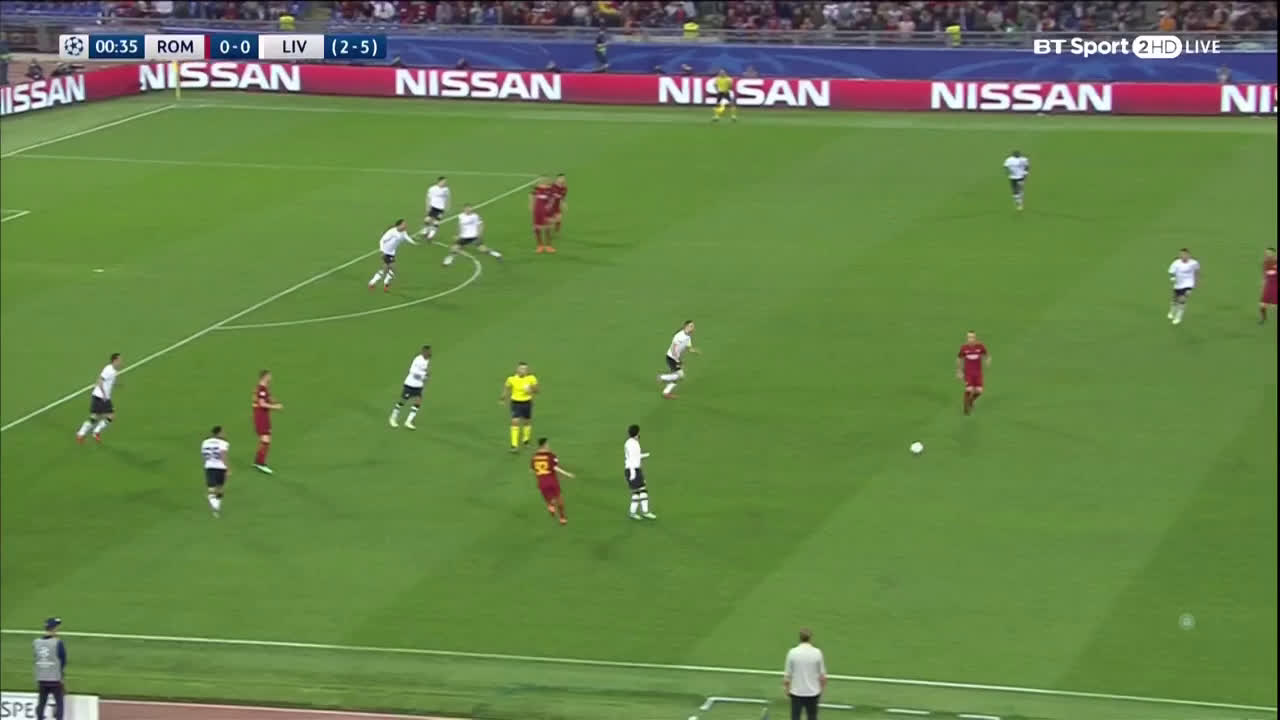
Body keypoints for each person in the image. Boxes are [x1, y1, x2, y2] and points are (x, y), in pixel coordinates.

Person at [77, 352, 122, 444]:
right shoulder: (108, 369)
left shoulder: (113, 370)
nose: (121, 361)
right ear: (115, 360)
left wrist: (116, 385)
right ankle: (94, 432)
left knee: (95, 417)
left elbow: (108, 381)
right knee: (110, 416)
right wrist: (104, 395)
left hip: (100, 396)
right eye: (119, 360)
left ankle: (82, 433)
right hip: (102, 397)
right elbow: (100, 381)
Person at [783, 628, 827, 720]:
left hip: (796, 693)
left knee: (795, 717)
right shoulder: (817, 653)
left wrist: (787, 690)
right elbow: (823, 676)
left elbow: (787, 676)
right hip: (813, 693)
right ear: (810, 638)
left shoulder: (792, 652)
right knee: (812, 717)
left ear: (800, 638)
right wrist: (821, 691)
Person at [531, 438, 575, 524]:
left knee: (549, 498)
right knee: (560, 500)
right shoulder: (551, 456)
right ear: (544, 445)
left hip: (542, 483)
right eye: (547, 444)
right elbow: (555, 468)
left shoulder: (534, 457)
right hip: (552, 481)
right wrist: (567, 474)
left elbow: (532, 470)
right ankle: (562, 518)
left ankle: (550, 505)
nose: (548, 445)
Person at [368, 219, 417, 292]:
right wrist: (382, 251)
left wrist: (415, 243)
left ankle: (374, 283)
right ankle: (384, 283)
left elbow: (407, 238)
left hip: (391, 253)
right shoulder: (392, 232)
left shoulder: (403, 232)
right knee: (391, 269)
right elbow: (382, 240)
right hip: (386, 252)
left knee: (386, 269)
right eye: (403, 224)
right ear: (399, 225)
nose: (405, 225)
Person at [500, 362, 538, 452]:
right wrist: (503, 398)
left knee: (527, 422)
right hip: (516, 403)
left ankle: (526, 441)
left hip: (527, 402)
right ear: (517, 369)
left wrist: (530, 389)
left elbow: (537, 390)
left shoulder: (531, 378)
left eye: (525, 369)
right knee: (515, 421)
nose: (523, 370)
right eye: (521, 369)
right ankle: (514, 445)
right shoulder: (511, 379)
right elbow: (507, 388)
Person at [33, 617, 66, 720]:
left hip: (41, 678)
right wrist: (61, 676)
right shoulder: (58, 642)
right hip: (55, 679)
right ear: (54, 628)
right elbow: (63, 660)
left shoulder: (36, 642)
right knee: (59, 704)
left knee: (41, 703)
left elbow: (36, 657)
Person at [390, 345, 431, 429]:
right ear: (423, 352)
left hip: (418, 385)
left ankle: (408, 421)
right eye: (428, 352)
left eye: (430, 352)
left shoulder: (427, 360)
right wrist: (424, 375)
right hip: (410, 384)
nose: (430, 353)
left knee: (418, 402)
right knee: (402, 401)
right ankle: (393, 418)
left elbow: (424, 371)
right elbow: (412, 371)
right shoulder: (418, 360)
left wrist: (424, 378)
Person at [657, 320, 698, 399]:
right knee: (679, 376)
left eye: (693, 326)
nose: (693, 328)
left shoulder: (688, 336)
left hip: (676, 358)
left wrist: (695, 351)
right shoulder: (679, 336)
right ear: (686, 326)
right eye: (691, 326)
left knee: (678, 376)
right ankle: (662, 377)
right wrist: (677, 360)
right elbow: (673, 349)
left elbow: (689, 348)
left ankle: (666, 393)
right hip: (671, 358)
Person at [252, 370, 283, 473]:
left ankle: (258, 461)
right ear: (264, 377)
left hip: (263, 416)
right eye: (269, 375)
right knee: (266, 439)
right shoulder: (262, 389)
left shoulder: (262, 388)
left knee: (265, 439)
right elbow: (262, 404)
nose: (271, 377)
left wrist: (272, 400)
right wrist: (275, 407)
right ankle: (260, 463)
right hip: (261, 416)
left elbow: (264, 399)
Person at [623, 424, 656, 520]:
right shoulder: (633, 444)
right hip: (633, 470)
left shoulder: (630, 442)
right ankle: (643, 512)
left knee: (638, 492)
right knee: (641, 491)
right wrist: (633, 473)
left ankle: (635, 513)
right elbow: (632, 459)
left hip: (633, 469)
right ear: (637, 433)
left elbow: (634, 456)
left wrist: (644, 455)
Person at [956, 331, 990, 416]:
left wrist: (987, 360)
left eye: (972, 337)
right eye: (969, 337)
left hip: (978, 372)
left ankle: (971, 401)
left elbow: (986, 354)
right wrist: (959, 371)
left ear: (975, 338)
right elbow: (959, 358)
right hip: (968, 373)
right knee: (969, 389)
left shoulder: (980, 346)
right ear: (967, 338)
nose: (970, 339)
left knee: (979, 391)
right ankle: (965, 408)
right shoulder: (964, 348)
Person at [201, 426, 230, 517]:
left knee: (212, 489)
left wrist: (207, 463)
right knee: (219, 488)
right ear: (219, 433)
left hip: (209, 467)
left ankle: (215, 507)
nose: (224, 433)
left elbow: (204, 454)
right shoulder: (223, 443)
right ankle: (215, 507)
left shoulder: (205, 442)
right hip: (220, 467)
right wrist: (227, 468)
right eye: (223, 432)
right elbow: (223, 454)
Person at [1168, 248, 1200, 326]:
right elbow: (1171, 272)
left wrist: (1196, 282)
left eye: (1185, 254)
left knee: (1182, 300)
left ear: (1189, 255)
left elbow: (1197, 271)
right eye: (1181, 254)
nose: (1183, 256)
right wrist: (1173, 278)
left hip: (1188, 284)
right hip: (1178, 285)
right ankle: (1172, 311)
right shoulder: (1176, 263)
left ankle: (1178, 317)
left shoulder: (1194, 263)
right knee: (1175, 300)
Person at [530, 177, 556, 253]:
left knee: (547, 227)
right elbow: (532, 194)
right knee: (537, 227)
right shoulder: (537, 188)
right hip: (537, 210)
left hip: (547, 211)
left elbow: (552, 199)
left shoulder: (551, 190)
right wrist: (531, 204)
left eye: (545, 180)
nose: (543, 181)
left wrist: (549, 206)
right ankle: (540, 245)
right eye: (542, 180)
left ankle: (548, 246)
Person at [549, 173, 569, 239]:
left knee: (559, 219)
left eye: (564, 178)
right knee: (552, 220)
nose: (563, 179)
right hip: (550, 205)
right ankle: (549, 234)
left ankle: (556, 231)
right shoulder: (552, 186)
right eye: (561, 178)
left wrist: (564, 204)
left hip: (557, 205)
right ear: (557, 179)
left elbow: (563, 197)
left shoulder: (564, 188)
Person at [1259, 247, 1276, 324]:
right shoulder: (1265, 262)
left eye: (1269, 252)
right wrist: (1263, 286)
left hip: (1275, 285)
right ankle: (1263, 319)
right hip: (1268, 285)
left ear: (1273, 253)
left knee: (1274, 306)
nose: (1268, 254)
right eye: (1267, 253)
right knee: (1262, 304)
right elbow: (1264, 275)